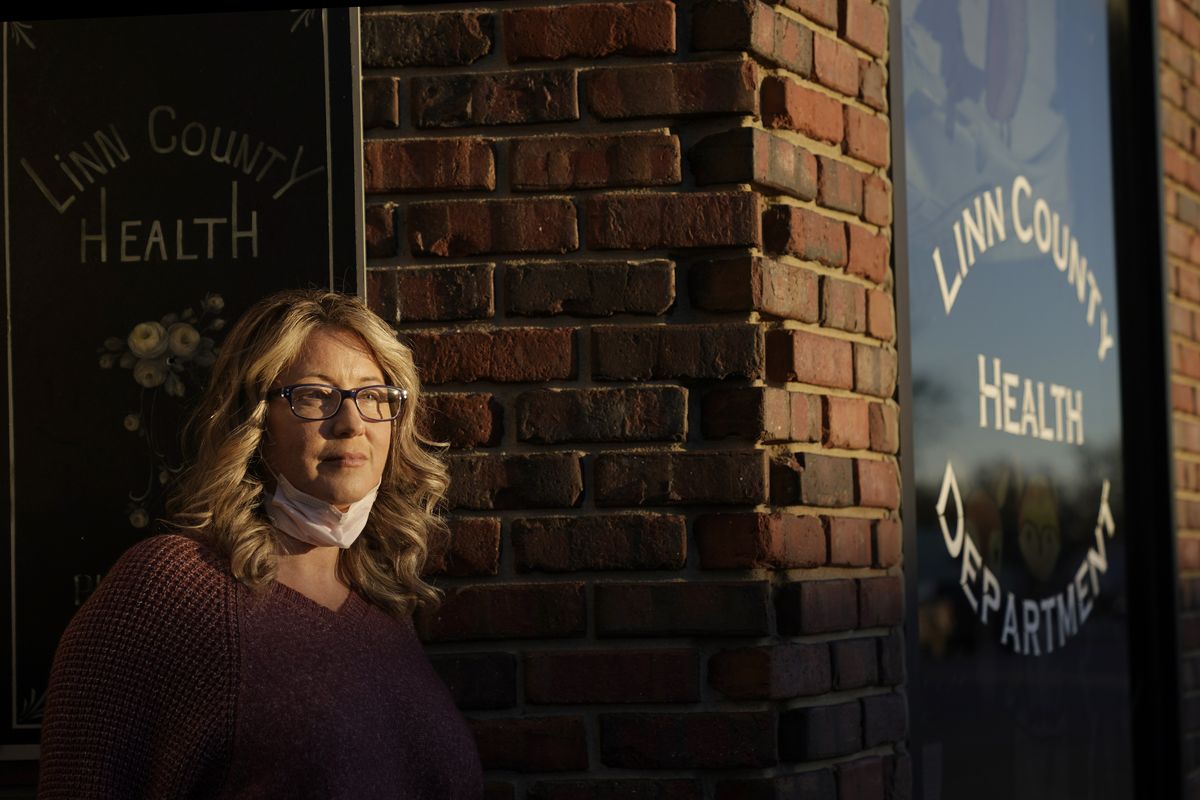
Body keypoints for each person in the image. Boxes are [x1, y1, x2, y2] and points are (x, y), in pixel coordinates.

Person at [37, 289, 483, 799]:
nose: (351, 423)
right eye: (315, 395)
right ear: (253, 419)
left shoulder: (382, 607)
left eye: (373, 395)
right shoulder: (167, 590)